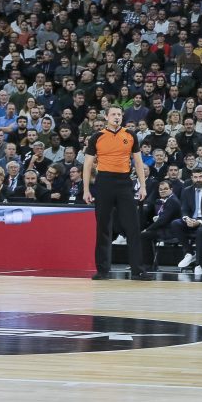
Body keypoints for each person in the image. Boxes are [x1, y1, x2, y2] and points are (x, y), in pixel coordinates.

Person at [83, 105, 151, 280]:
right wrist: (86, 190)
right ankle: (102, 270)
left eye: (119, 114)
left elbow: (138, 162)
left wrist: (143, 186)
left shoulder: (130, 135)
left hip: (124, 183)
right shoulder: (97, 137)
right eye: (113, 114)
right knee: (103, 227)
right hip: (104, 183)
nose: (116, 117)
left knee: (133, 226)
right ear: (106, 117)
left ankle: (138, 270)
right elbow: (88, 165)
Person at [172, 167, 202, 276]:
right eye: (195, 177)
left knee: (200, 231)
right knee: (175, 224)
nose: (198, 180)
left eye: (200, 177)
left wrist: (199, 222)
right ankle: (189, 252)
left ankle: (198, 264)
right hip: (191, 219)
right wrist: (186, 218)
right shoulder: (186, 190)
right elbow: (184, 209)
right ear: (192, 178)